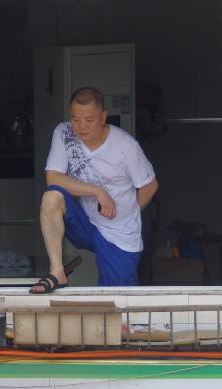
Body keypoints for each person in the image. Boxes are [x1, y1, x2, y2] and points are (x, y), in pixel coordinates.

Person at [29, 87, 159, 294]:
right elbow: (53, 178)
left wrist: (127, 213)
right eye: (75, 119)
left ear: (103, 117)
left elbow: (150, 186)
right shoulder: (64, 133)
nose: (81, 127)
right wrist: (97, 191)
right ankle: (57, 271)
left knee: (117, 303)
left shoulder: (126, 146)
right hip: (86, 224)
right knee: (52, 196)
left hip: (119, 234)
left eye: (89, 120)